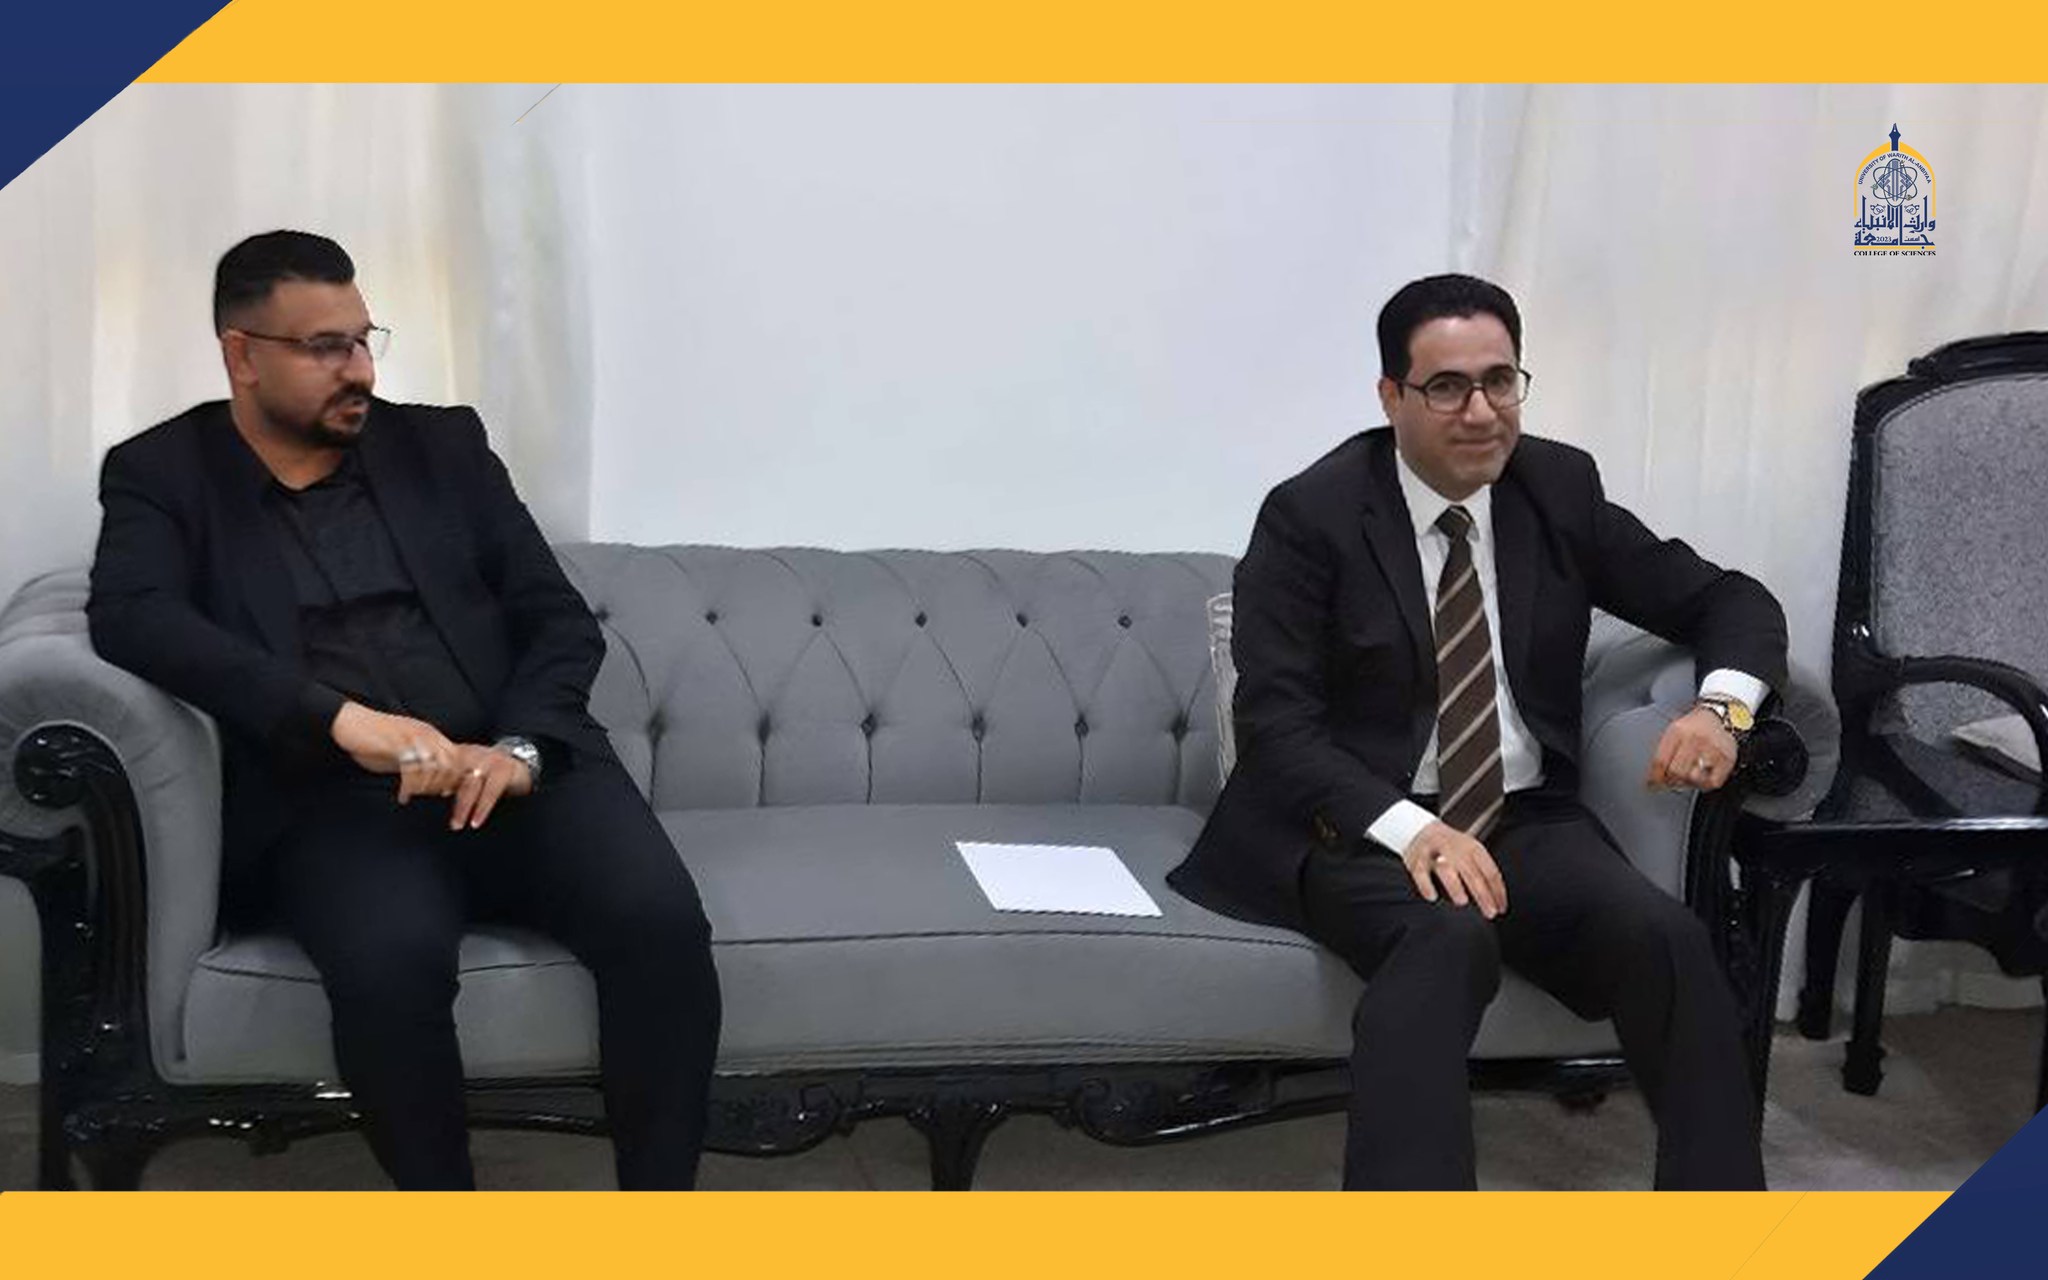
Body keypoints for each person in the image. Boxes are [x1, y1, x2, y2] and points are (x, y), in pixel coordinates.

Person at [87, 230, 722, 1190]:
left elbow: (555, 618)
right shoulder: (164, 473)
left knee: (659, 922)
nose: (360, 369)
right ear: (242, 355)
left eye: (363, 338)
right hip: (334, 799)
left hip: (514, 768)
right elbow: (132, 616)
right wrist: (334, 718)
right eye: (325, 347)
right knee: (391, 962)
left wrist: (520, 747)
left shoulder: (442, 445)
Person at [1168, 273, 1784, 1191]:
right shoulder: (1312, 515)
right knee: (1445, 938)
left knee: (1665, 937)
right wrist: (1416, 831)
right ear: (1392, 396)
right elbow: (1277, 728)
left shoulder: (1556, 488)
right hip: (1355, 822)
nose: (1482, 412)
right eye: (1448, 387)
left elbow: (1729, 599)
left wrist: (1721, 709)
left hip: (1520, 815)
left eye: (1500, 381)